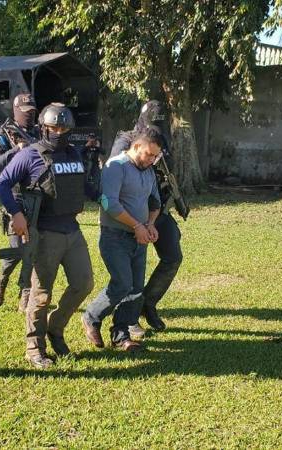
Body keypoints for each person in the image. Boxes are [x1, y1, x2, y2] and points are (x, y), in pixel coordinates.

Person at [0, 103, 94, 369]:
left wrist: (105, 196)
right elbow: (1, 184)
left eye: (63, 129)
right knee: (41, 294)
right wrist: (16, 213)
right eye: (53, 128)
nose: (59, 133)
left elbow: (83, 185)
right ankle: (34, 348)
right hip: (45, 234)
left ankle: (55, 328)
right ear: (43, 128)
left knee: (83, 283)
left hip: (72, 230)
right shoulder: (30, 154)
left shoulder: (73, 154)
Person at [82, 128, 161, 351]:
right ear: (136, 146)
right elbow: (109, 203)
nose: (152, 160)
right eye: (149, 154)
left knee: (136, 289)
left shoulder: (148, 170)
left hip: (140, 238)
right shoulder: (115, 166)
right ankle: (91, 317)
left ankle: (120, 335)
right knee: (123, 284)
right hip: (115, 237)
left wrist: (150, 224)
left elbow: (155, 201)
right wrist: (137, 225)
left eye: (155, 156)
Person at [109, 100, 185, 336]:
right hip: (130, 214)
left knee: (173, 257)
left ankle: (148, 303)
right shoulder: (126, 141)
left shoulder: (163, 141)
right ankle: (128, 320)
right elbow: (114, 176)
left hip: (157, 210)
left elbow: (167, 174)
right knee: (132, 272)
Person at [0, 93, 40, 311]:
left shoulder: (38, 132)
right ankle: (1, 281)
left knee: (32, 251)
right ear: (16, 111)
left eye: (32, 112)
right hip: (14, 196)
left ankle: (25, 293)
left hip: (36, 196)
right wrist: (15, 151)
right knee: (17, 249)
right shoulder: (5, 133)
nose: (29, 116)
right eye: (25, 112)